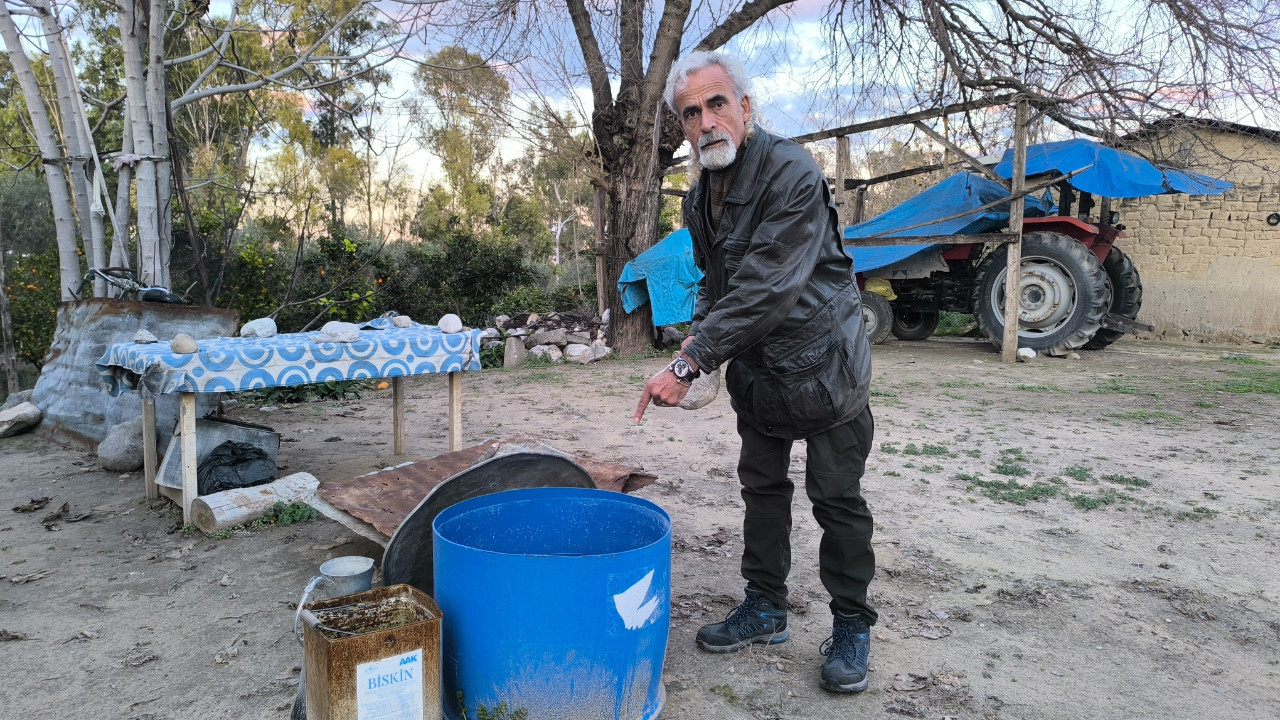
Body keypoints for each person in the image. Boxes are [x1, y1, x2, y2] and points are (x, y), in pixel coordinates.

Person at [633, 50, 877, 694]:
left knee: (836, 496)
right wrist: (702, 338)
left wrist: (691, 362)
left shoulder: (791, 172)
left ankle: (851, 621)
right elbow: (721, 285)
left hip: (824, 362)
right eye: (692, 112)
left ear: (745, 107)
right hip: (760, 371)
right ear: (683, 128)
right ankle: (765, 606)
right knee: (762, 489)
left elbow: (767, 286)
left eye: (717, 104)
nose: (707, 121)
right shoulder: (699, 198)